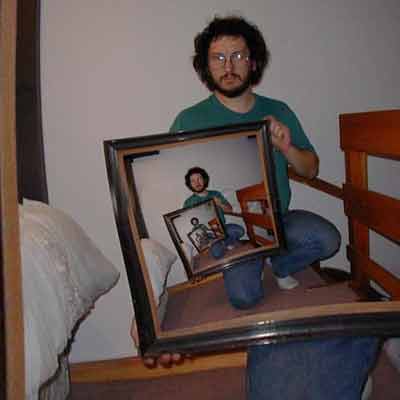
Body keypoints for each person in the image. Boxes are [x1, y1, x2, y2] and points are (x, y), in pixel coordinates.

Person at [133, 15, 380, 399]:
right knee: (245, 296)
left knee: (326, 239)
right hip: (233, 233)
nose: (228, 65)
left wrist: (286, 146)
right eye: (218, 57)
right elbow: (171, 187)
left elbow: (310, 169)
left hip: (278, 219)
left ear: (253, 62)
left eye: (237, 55)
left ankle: (279, 264)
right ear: (206, 65)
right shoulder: (189, 119)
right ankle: (260, 261)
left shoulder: (277, 109)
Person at [184, 166, 245, 259]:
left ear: (204, 179)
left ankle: (223, 243)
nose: (197, 182)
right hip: (208, 234)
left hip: (223, 228)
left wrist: (220, 203)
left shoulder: (215, 194)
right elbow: (189, 224)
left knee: (239, 230)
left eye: (199, 178)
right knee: (217, 254)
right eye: (193, 181)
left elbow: (229, 210)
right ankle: (225, 244)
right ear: (190, 184)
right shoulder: (188, 202)